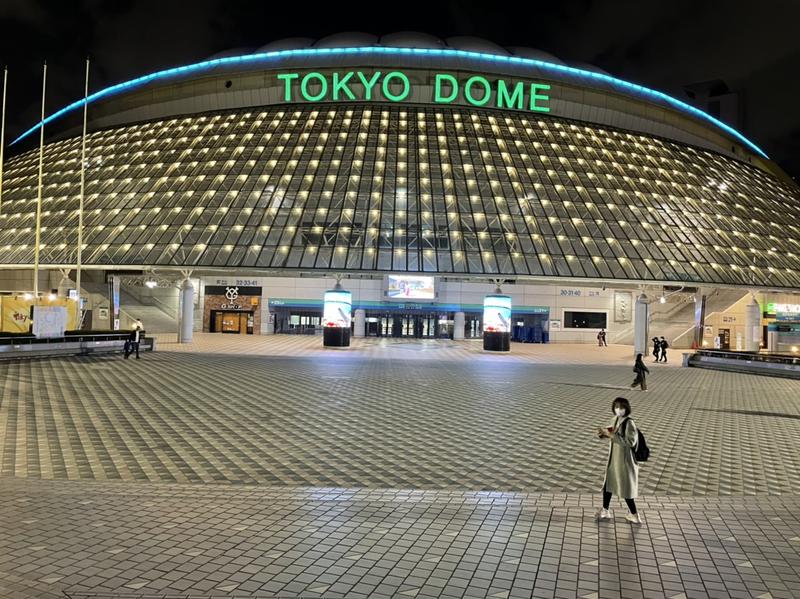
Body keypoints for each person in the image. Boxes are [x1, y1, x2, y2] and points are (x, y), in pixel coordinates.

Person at [596, 397, 641, 524]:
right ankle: (605, 510)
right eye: (616, 407)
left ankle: (634, 514)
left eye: (621, 407)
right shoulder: (615, 419)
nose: (618, 410)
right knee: (608, 485)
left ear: (626, 408)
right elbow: (611, 433)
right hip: (614, 459)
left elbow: (631, 442)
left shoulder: (629, 423)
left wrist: (611, 435)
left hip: (624, 461)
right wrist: (603, 434)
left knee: (625, 489)